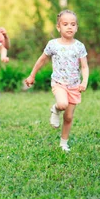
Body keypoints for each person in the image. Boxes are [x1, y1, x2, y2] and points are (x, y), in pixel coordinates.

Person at [24, 10, 89, 152]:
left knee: (69, 117)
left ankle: (63, 143)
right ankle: (55, 109)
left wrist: (84, 82)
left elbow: (84, 66)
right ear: (58, 27)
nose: (69, 27)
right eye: (65, 24)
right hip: (59, 83)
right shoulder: (53, 44)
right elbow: (41, 60)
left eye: (73, 24)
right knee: (62, 103)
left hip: (74, 86)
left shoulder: (79, 46)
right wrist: (32, 75)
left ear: (77, 27)